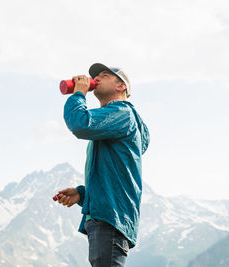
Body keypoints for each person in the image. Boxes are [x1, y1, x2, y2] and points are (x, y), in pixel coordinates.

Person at [55, 63, 150, 266]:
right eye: (96, 76)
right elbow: (113, 178)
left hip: (110, 219)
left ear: (121, 86)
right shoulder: (112, 122)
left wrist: (78, 95)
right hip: (106, 218)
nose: (96, 78)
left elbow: (80, 123)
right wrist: (83, 194)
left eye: (105, 75)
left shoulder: (122, 113)